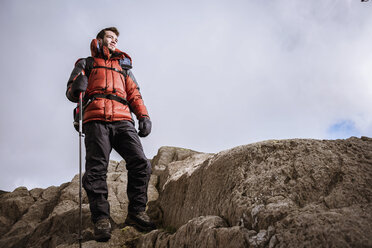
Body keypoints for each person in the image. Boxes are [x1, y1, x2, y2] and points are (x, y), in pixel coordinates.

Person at [66, 27, 155, 242]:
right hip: (95, 119)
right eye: (110, 37)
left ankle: (136, 212)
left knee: (141, 163)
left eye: (116, 39)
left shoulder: (123, 67)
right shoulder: (86, 63)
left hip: (123, 119)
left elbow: (134, 93)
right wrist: (77, 86)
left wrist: (143, 116)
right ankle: (101, 220)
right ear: (100, 40)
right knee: (96, 170)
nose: (114, 41)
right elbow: (71, 92)